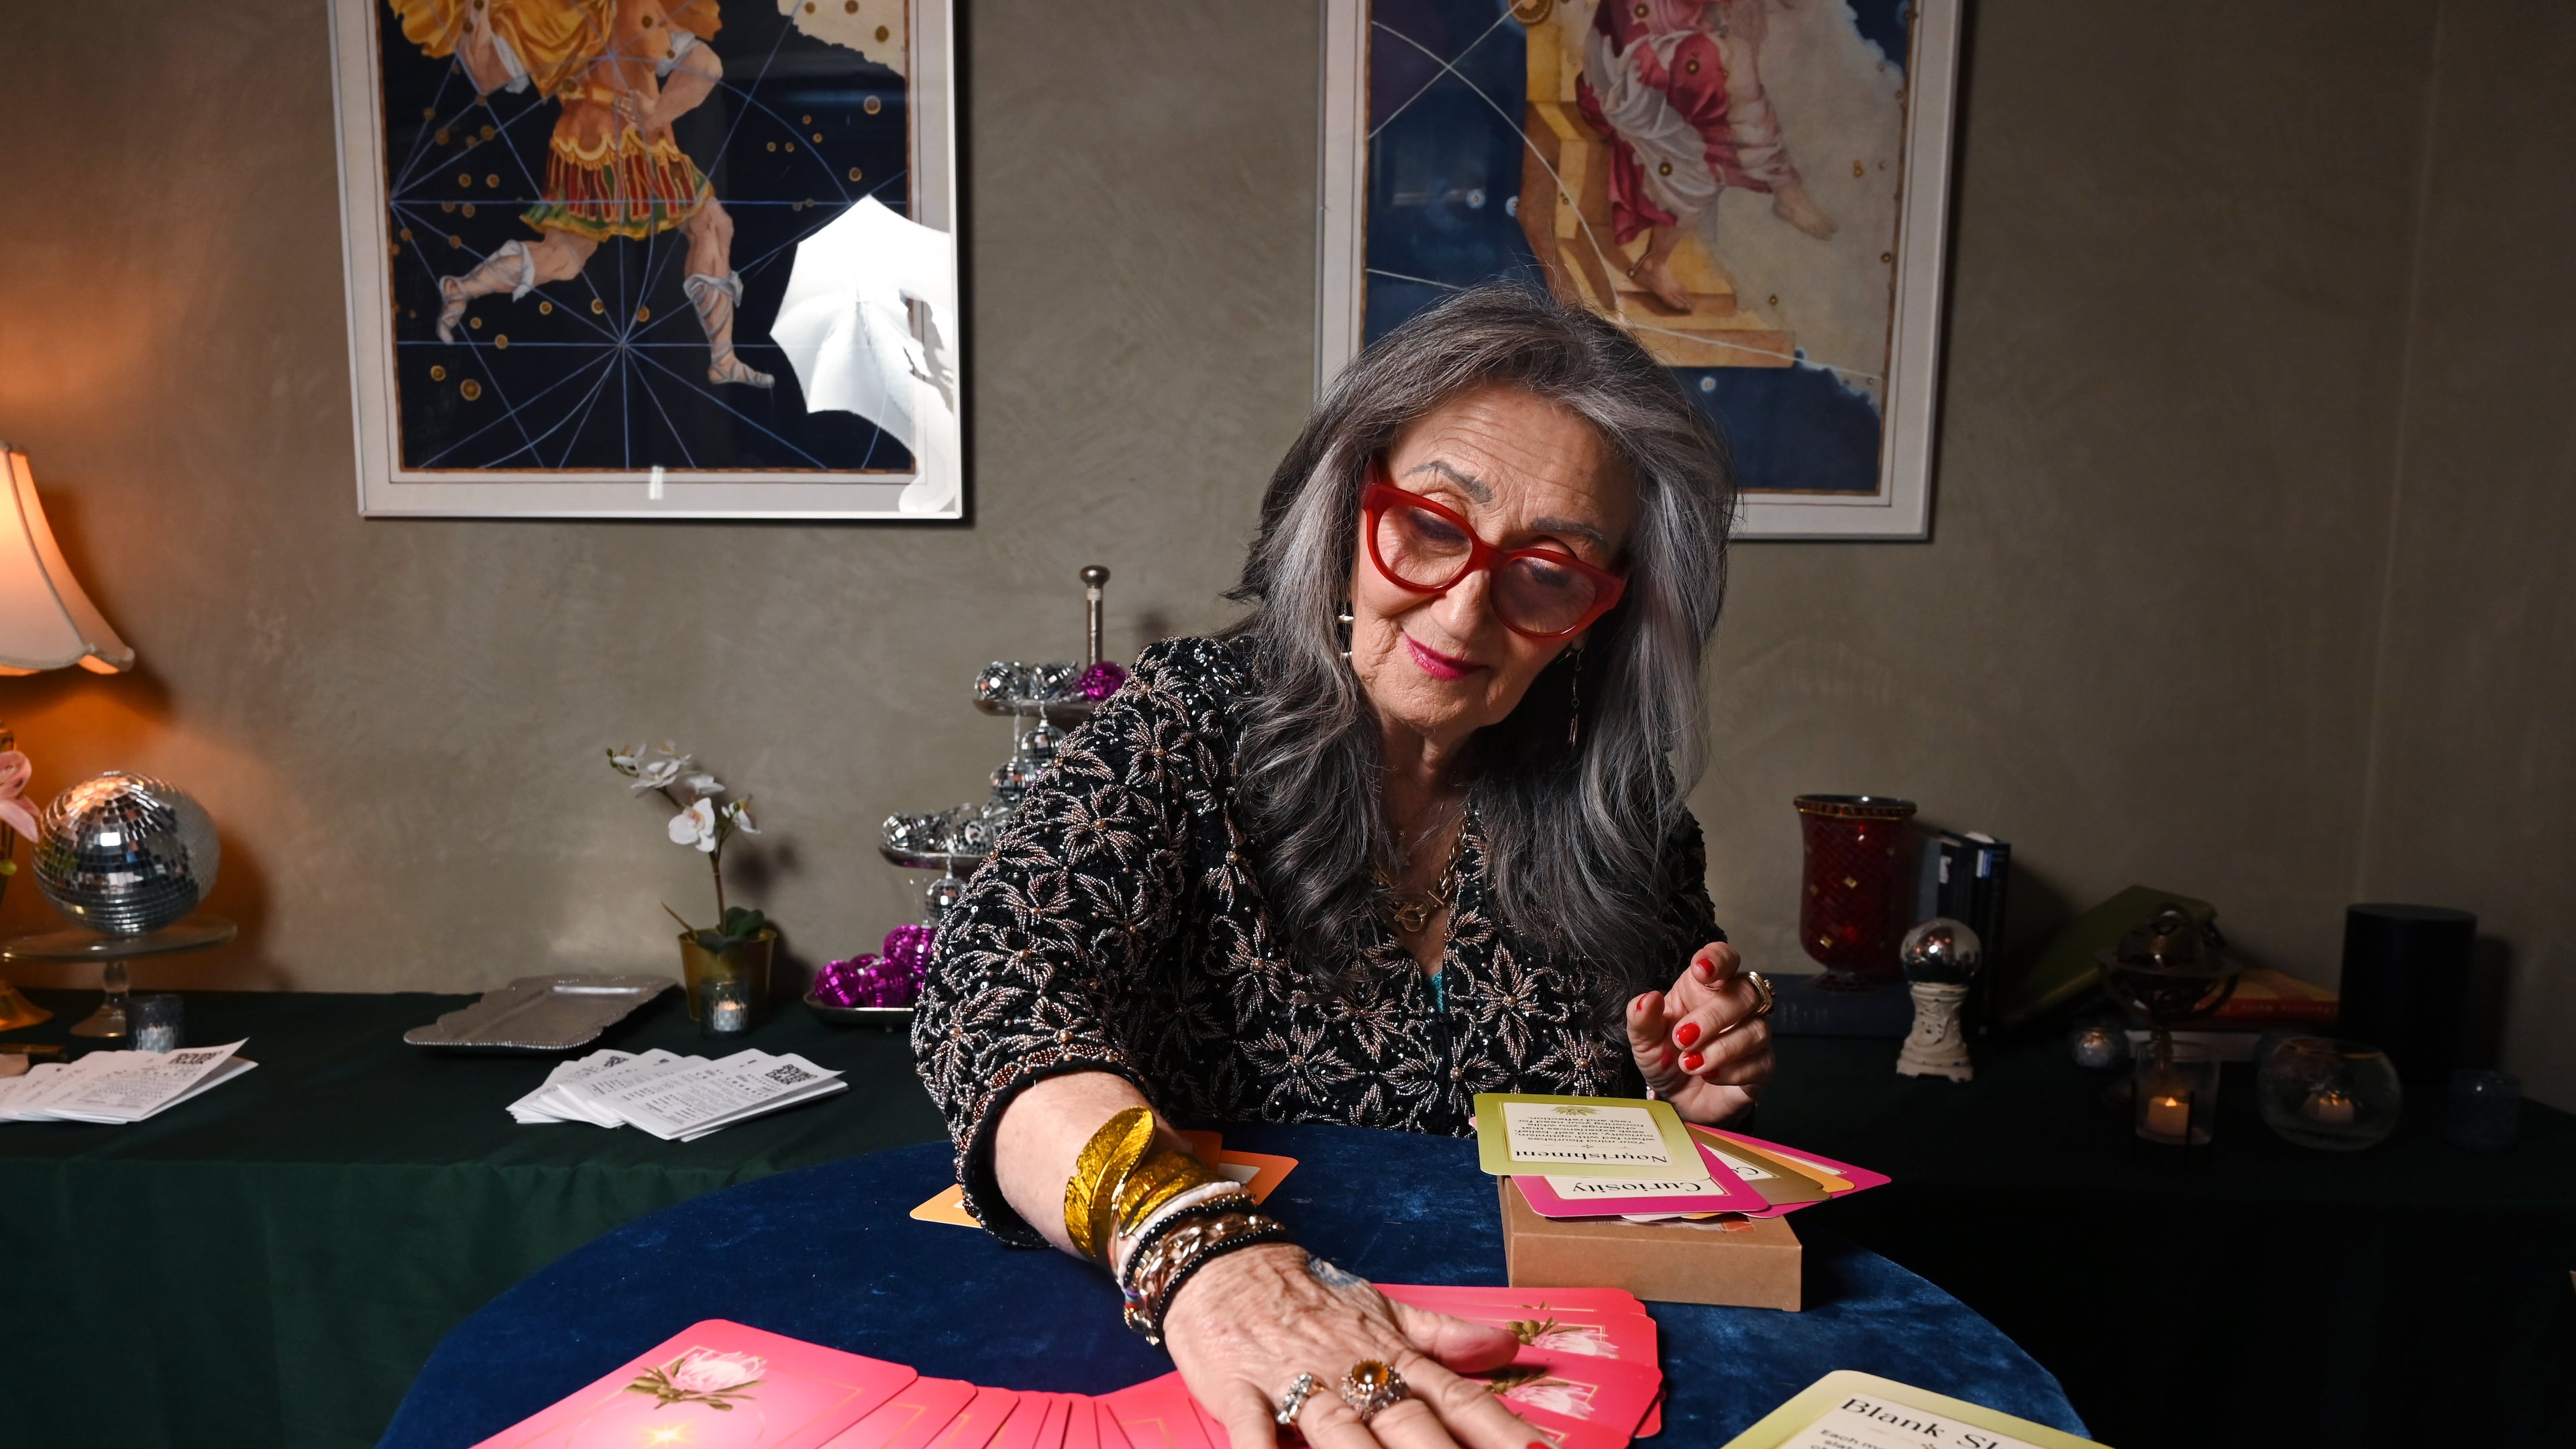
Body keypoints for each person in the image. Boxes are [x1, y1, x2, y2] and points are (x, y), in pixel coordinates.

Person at [913, 284, 1775, 1449]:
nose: (1463, 612)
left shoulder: (1625, 816)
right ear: (1344, 512)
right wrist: (1200, 1255)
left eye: (1550, 570)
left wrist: (1686, 1083)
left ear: (1601, 618)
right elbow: (990, 990)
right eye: (1431, 524)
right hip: (1205, 1354)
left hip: (1526, 1380)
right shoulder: (1183, 727)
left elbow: (1655, 1101)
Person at [390, 0, 773, 386]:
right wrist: (655, 115)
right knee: (708, 225)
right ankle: (722, 359)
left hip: (587, 147)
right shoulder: (572, 14)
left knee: (565, 257)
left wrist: (478, 15)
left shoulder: (547, 19)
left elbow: (487, 74)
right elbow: (706, 66)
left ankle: (463, 287)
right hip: (627, 145)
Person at [1576, 0, 1835, 314]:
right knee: (1722, 80)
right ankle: (1782, 183)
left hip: (1677, 64)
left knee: (1725, 94)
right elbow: (1629, 32)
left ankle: (1780, 184)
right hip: (1626, 72)